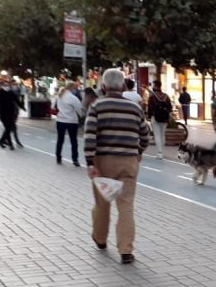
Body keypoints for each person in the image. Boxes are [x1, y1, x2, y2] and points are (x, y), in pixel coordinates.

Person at [85, 68, 151, 265]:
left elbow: (90, 136)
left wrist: (90, 162)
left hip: (103, 162)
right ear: (122, 86)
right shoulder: (135, 108)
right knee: (126, 206)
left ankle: (101, 239)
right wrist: (138, 151)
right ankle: (126, 250)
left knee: (103, 204)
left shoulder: (97, 106)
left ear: (104, 86)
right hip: (128, 162)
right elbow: (145, 135)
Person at [55, 82, 85, 166]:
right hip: (71, 121)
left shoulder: (60, 96)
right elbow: (80, 110)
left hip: (60, 120)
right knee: (73, 141)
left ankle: (58, 157)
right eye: (75, 88)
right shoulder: (73, 98)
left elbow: (56, 107)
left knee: (60, 140)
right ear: (72, 88)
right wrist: (83, 117)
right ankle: (75, 159)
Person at [0, 80, 21, 150]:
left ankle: (4, 142)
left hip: (11, 113)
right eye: (5, 85)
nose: (7, 87)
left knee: (8, 128)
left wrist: (22, 107)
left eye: (7, 85)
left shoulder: (11, 93)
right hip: (3, 114)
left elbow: (17, 101)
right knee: (8, 128)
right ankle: (7, 143)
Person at [147, 80, 172, 159]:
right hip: (165, 117)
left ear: (156, 86)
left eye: (153, 85)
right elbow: (170, 107)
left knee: (157, 135)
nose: (152, 87)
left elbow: (150, 108)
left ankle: (159, 152)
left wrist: (149, 116)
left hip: (155, 117)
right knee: (162, 135)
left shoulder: (152, 96)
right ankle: (162, 152)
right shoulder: (166, 96)